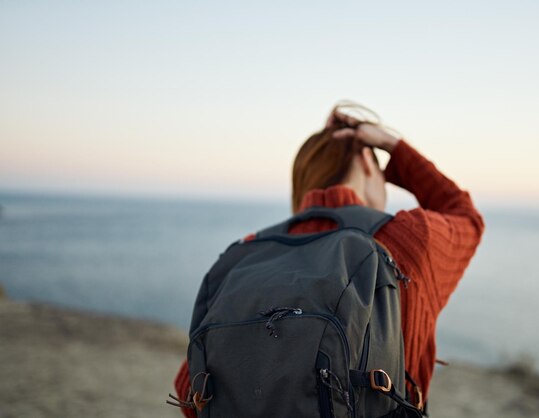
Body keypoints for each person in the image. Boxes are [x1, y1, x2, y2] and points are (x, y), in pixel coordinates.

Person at [172, 103, 485, 417]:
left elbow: (190, 388)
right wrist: (393, 146)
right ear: (366, 161)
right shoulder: (406, 238)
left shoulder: (245, 252)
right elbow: (465, 216)